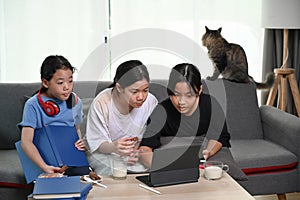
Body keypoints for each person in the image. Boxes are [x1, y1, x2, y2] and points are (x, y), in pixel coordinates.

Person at [139, 63, 231, 168]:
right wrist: (160, 167)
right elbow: (146, 147)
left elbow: (219, 136)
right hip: (169, 156)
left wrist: (207, 152)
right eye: (176, 95)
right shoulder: (161, 111)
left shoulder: (210, 104)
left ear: (199, 90)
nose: (181, 102)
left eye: (189, 95)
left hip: (204, 153)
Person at [86, 60, 158, 175]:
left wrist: (137, 152)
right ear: (119, 87)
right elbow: (97, 144)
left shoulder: (151, 101)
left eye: (145, 90)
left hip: (134, 155)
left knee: (149, 170)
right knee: (114, 171)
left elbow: (149, 137)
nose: (141, 97)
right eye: (134, 92)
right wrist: (114, 147)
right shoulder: (102, 103)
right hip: (105, 153)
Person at [18, 55, 85, 175]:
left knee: (86, 183)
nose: (67, 87)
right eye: (60, 82)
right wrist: (44, 167)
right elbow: (26, 142)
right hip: (44, 161)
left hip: (70, 160)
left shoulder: (76, 102)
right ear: (45, 82)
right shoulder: (33, 105)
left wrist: (80, 141)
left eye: (70, 81)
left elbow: (76, 129)